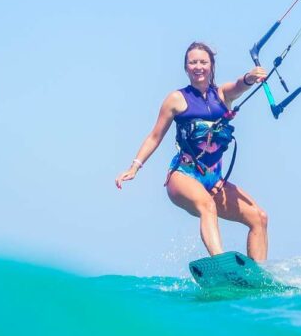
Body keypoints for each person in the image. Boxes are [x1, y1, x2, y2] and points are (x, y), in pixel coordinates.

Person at [115, 41, 269, 261]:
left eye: (203, 62)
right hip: (184, 175)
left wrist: (250, 78)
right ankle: (221, 263)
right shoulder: (176, 99)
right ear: (186, 68)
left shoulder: (222, 95)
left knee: (259, 218)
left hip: (214, 179)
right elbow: (155, 136)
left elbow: (239, 85)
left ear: (211, 66)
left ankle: (257, 277)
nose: (198, 66)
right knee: (207, 205)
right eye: (193, 62)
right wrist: (134, 167)